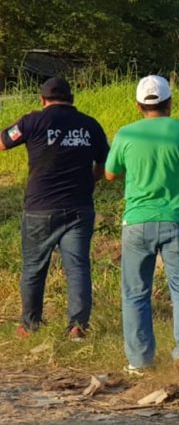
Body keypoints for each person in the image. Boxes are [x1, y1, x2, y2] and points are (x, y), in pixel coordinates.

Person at [104, 75, 179, 385]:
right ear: (171, 103)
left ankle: (140, 361)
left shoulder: (126, 134)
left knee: (135, 293)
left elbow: (110, 173)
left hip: (137, 223)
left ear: (139, 105)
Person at [1, 78, 109, 340]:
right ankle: (77, 327)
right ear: (72, 98)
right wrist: (90, 179)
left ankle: (29, 325)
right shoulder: (90, 125)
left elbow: (2, 142)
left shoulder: (32, 121)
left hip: (40, 208)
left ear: (42, 99)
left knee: (34, 268)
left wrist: (22, 120)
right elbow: (107, 166)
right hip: (79, 208)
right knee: (78, 267)